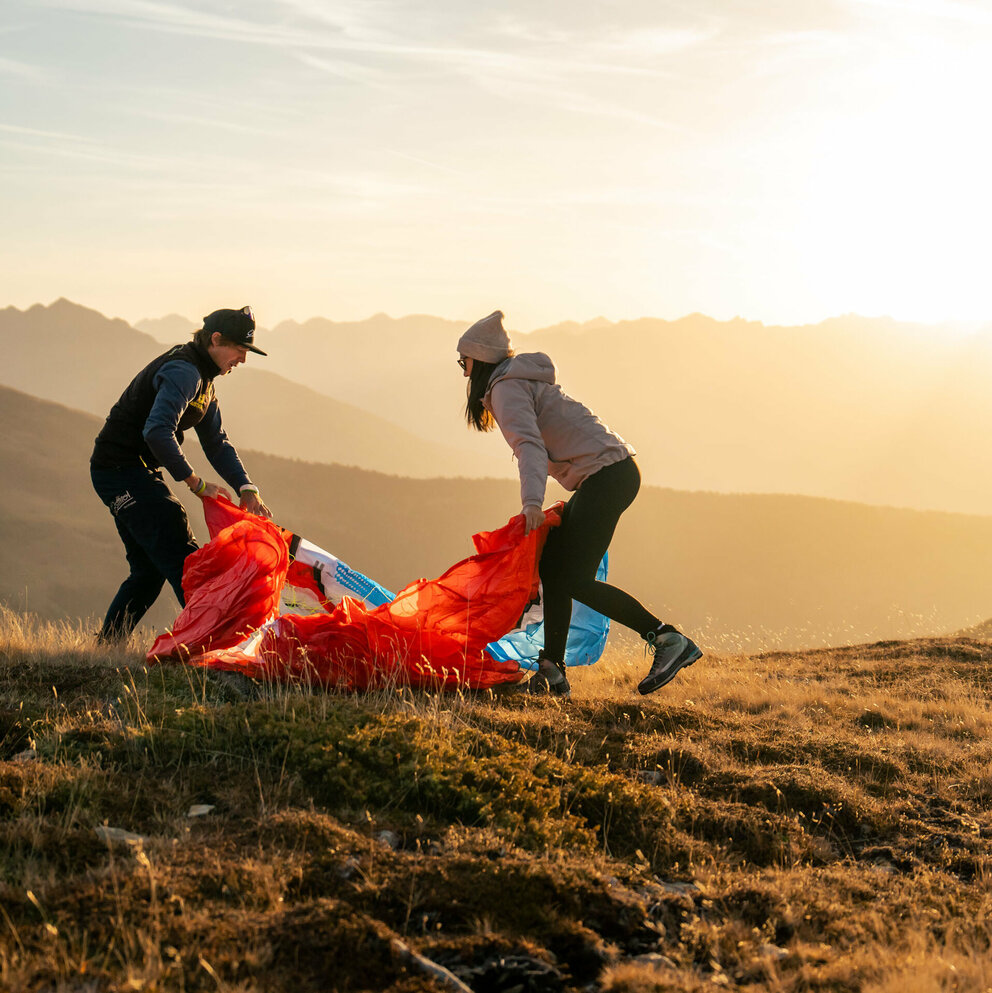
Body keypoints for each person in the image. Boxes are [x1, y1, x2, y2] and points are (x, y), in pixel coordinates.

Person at [457, 310, 701, 697]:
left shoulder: (505, 388)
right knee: (555, 566)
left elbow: (529, 446)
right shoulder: (515, 382)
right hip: (612, 472)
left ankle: (668, 639)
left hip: (607, 476)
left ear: (480, 360)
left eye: (464, 361)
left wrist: (532, 503)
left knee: (572, 576)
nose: (464, 371)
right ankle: (552, 671)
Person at [90, 306, 272, 643]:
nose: (242, 360)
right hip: (119, 470)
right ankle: (208, 644)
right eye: (239, 350)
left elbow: (216, 441)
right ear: (216, 340)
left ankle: (106, 648)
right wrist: (195, 483)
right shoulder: (185, 372)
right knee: (183, 556)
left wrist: (247, 487)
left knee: (147, 571)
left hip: (127, 469)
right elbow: (157, 431)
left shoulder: (204, 380)